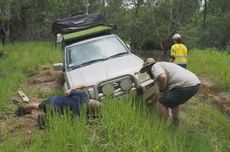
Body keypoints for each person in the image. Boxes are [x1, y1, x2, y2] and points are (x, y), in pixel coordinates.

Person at [140, 58, 200, 126]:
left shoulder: (155, 66)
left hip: (186, 85)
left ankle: (162, 127)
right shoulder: (164, 66)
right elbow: (158, 91)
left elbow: (163, 78)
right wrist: (152, 101)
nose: (147, 72)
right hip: (195, 84)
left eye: (146, 70)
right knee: (173, 102)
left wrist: (162, 91)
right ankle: (175, 124)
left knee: (162, 102)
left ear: (149, 66)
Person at [15, 86, 101, 128]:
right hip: (54, 108)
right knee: (59, 120)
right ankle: (42, 119)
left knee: (38, 105)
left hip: (55, 99)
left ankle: (21, 109)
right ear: (90, 109)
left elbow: (68, 92)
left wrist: (70, 91)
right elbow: (74, 120)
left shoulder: (83, 95)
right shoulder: (81, 110)